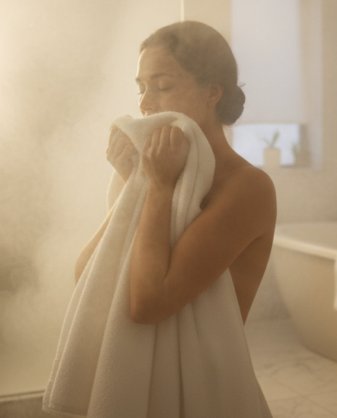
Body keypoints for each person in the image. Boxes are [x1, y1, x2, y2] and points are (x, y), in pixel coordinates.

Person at [74, 20, 277, 325]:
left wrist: (157, 186)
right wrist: (136, 184)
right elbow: (87, 277)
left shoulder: (249, 187)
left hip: (205, 358)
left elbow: (149, 305)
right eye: (141, 88)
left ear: (212, 92)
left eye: (162, 86)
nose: (144, 103)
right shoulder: (164, 170)